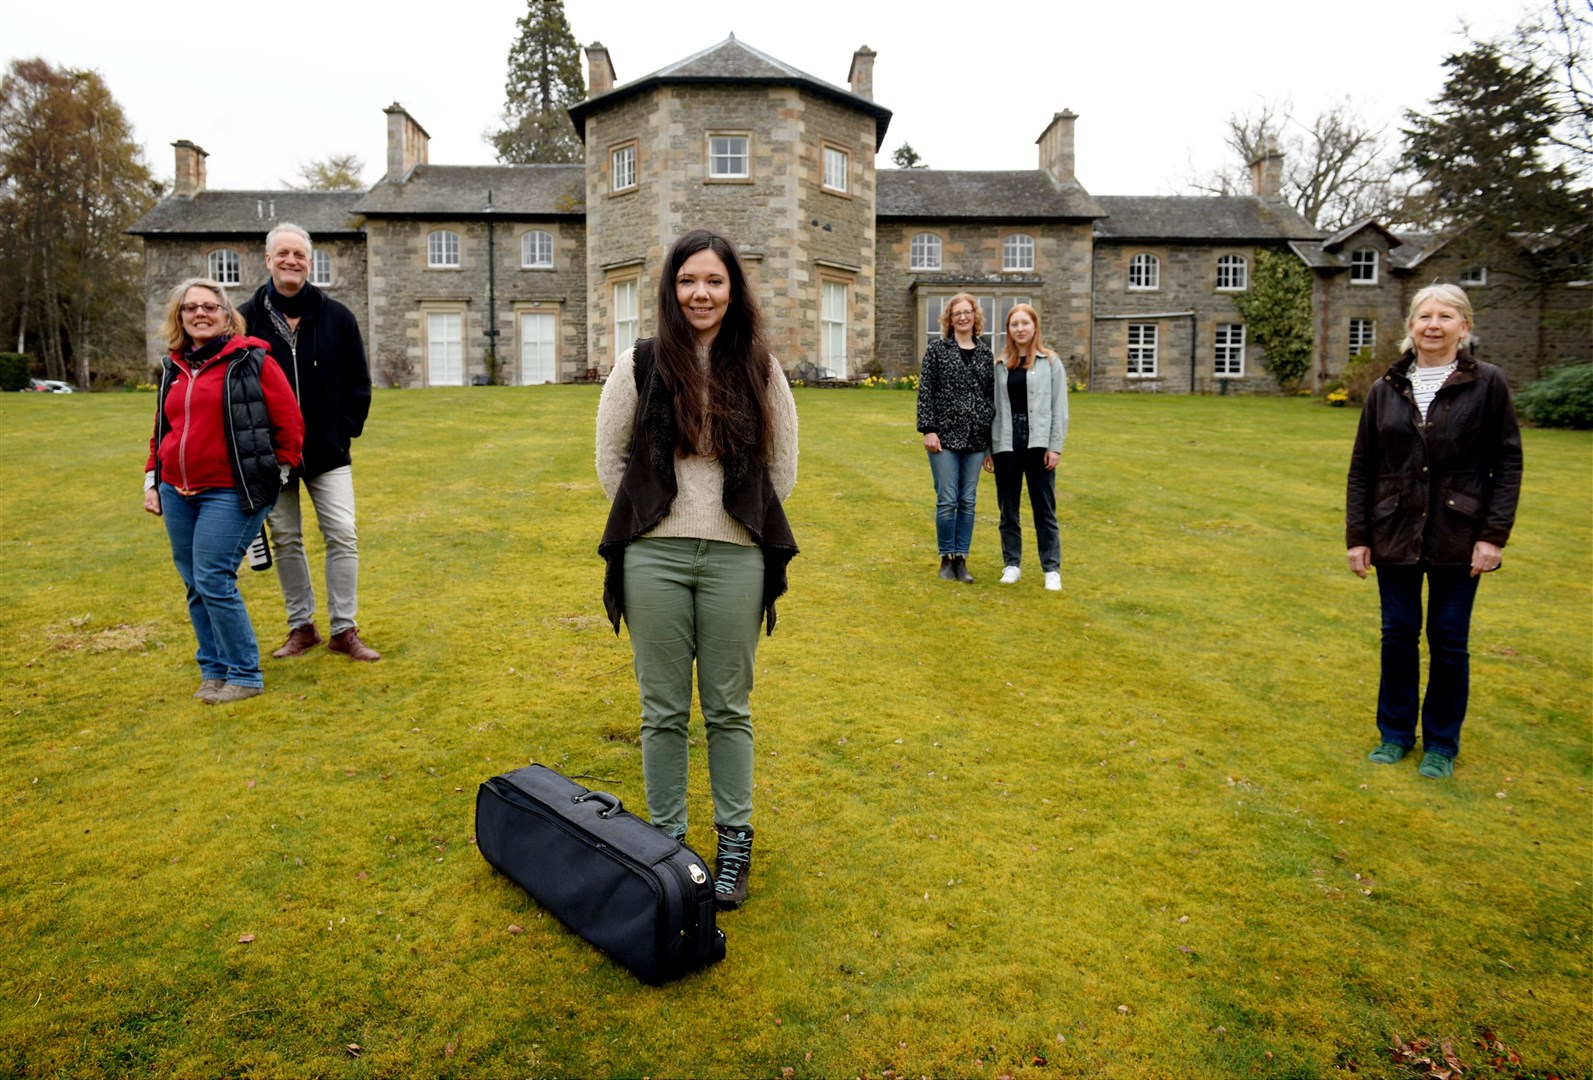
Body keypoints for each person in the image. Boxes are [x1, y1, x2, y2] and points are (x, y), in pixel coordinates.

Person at [596, 228, 799, 909]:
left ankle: (734, 843)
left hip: (735, 556)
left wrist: (729, 523)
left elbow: (783, 470)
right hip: (653, 554)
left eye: (713, 281)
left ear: (732, 288)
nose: (700, 293)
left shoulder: (761, 367)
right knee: (661, 711)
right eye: (688, 281)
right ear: (671, 289)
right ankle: (665, 847)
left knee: (727, 708)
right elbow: (611, 461)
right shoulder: (640, 364)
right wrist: (654, 521)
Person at [1345, 283, 1522, 779]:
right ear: (1411, 327)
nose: (1434, 324)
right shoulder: (1385, 388)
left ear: (1464, 327)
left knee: (1448, 639)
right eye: (1424, 316)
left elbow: (1507, 465)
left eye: (1446, 316)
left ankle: (1442, 742)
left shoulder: (1488, 384)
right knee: (1397, 635)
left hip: (1458, 534)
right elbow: (1363, 467)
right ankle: (1395, 735)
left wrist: (1493, 535)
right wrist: (1358, 537)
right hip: (1394, 529)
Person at [143, 278, 303, 703]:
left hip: (231, 491)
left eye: (210, 307)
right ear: (179, 317)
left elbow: (289, 425)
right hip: (177, 490)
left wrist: (278, 474)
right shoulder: (173, 369)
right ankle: (213, 670)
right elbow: (162, 431)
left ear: (226, 314)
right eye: (190, 308)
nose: (200, 313)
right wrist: (152, 480)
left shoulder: (253, 360)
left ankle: (245, 675)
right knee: (195, 582)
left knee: (214, 577)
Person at [239, 223, 378, 662]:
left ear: (309, 261)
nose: (291, 261)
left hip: (329, 454)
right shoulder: (244, 321)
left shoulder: (338, 317)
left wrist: (343, 430)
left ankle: (344, 629)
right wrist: (256, 448)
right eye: (283, 253)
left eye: (299, 254)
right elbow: (236, 391)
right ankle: (302, 627)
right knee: (285, 539)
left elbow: (359, 383)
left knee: (342, 533)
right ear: (268, 259)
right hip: (271, 457)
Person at [983, 304, 1068, 591]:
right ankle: (1012, 564)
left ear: (1034, 327)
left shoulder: (1051, 362)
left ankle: (1051, 569)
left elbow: (1060, 408)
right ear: (1008, 329)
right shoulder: (1000, 365)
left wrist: (1054, 447)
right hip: (1006, 442)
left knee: (1044, 508)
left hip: (1038, 443)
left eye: (1025, 323)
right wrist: (989, 449)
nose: (1020, 329)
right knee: (1009, 508)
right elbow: (991, 409)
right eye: (1014, 324)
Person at [916, 293, 995, 583]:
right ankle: (946, 558)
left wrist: (989, 446)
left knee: (968, 501)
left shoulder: (986, 354)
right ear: (949, 319)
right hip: (944, 438)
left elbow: (990, 400)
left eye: (967, 312)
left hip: (975, 439)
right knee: (947, 500)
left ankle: (962, 558)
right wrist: (929, 429)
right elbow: (926, 392)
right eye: (956, 313)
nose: (962, 317)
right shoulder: (937, 350)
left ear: (975, 317)